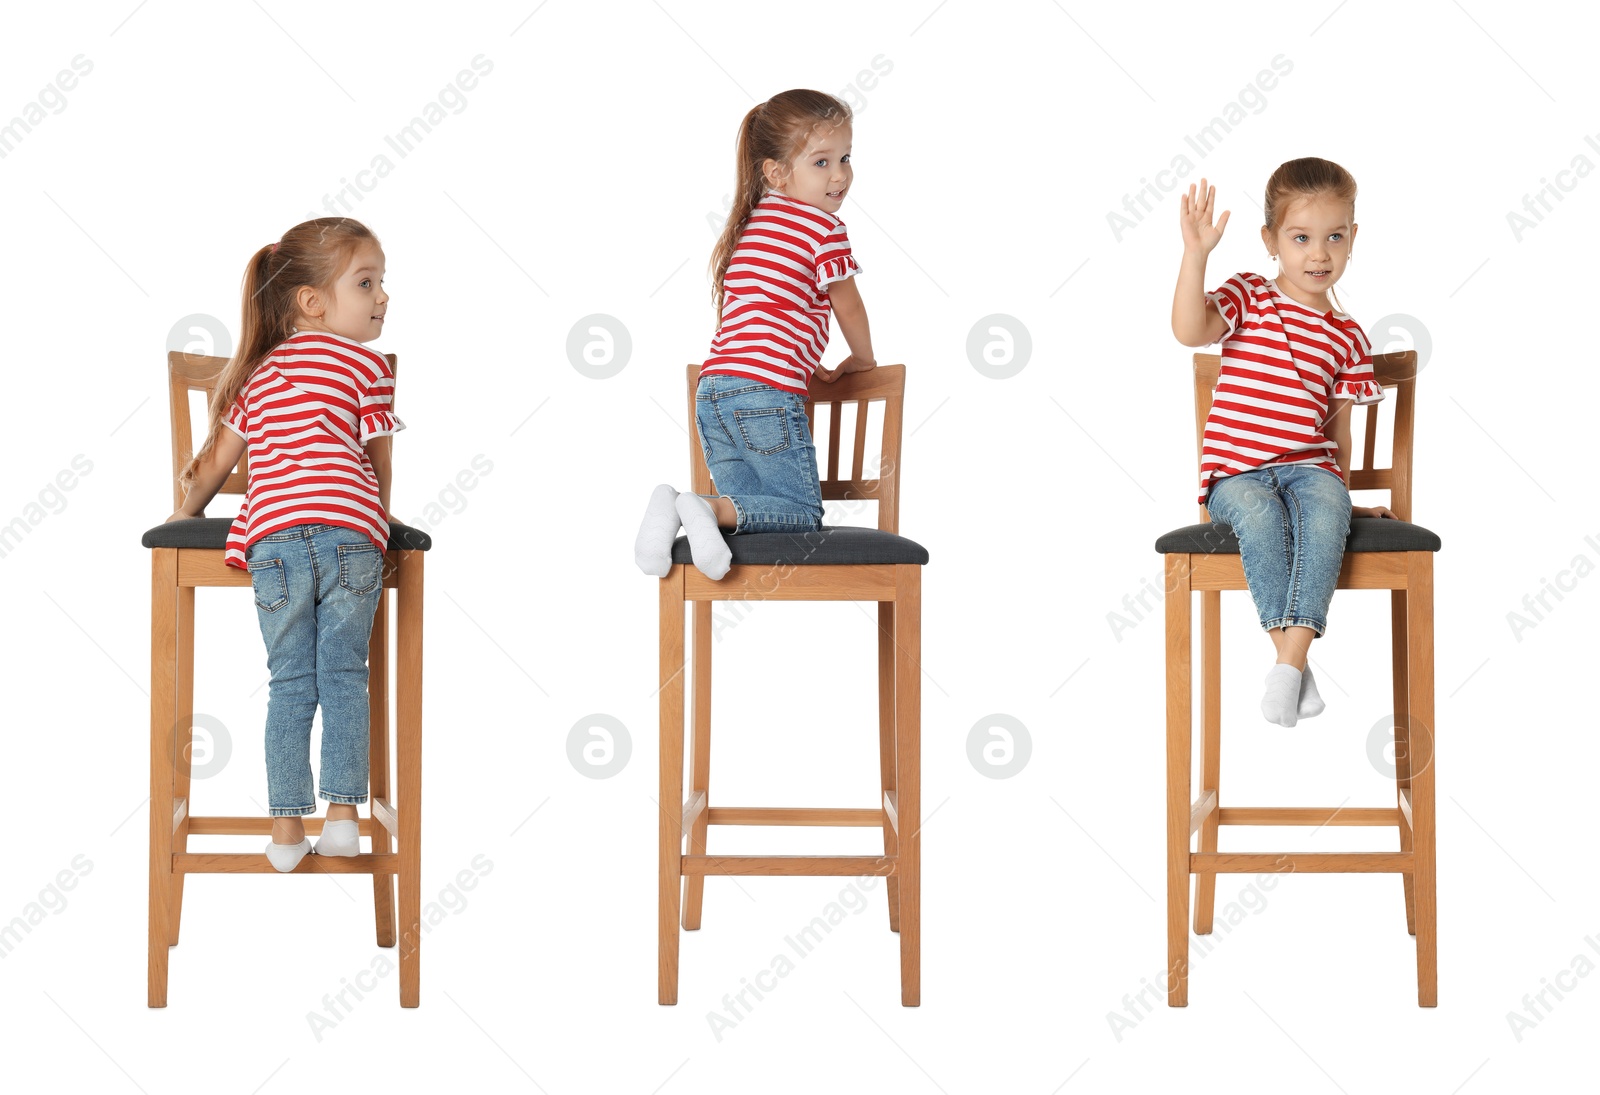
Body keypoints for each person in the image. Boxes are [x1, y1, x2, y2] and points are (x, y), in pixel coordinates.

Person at [165, 217, 404, 870]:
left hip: (272, 541)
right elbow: (378, 468)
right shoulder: (369, 367)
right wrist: (377, 524)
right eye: (367, 282)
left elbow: (214, 464)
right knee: (345, 676)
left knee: (289, 680)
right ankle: (344, 817)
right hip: (350, 536)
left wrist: (182, 514)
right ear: (312, 300)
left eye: (382, 283)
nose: (383, 297)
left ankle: (285, 829)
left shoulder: (256, 372)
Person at [1170, 159, 1396, 727]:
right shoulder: (1249, 296)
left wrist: (1345, 502)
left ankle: (1286, 664)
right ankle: (1292, 664)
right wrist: (1196, 253)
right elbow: (1188, 331)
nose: (1319, 254)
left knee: (1322, 513)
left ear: (1353, 240)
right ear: (1270, 240)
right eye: (1301, 238)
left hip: (1310, 473)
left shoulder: (1347, 336)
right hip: (1237, 476)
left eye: (1334, 237)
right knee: (1259, 515)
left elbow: (1337, 437)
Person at [635, 88, 878, 581]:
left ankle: (682, 505)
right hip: (765, 393)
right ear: (776, 172)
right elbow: (846, 304)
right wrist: (863, 359)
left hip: (714, 392)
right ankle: (696, 506)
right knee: (802, 514)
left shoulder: (751, 223)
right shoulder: (823, 229)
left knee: (747, 510)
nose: (840, 175)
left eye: (846, 158)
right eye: (822, 161)